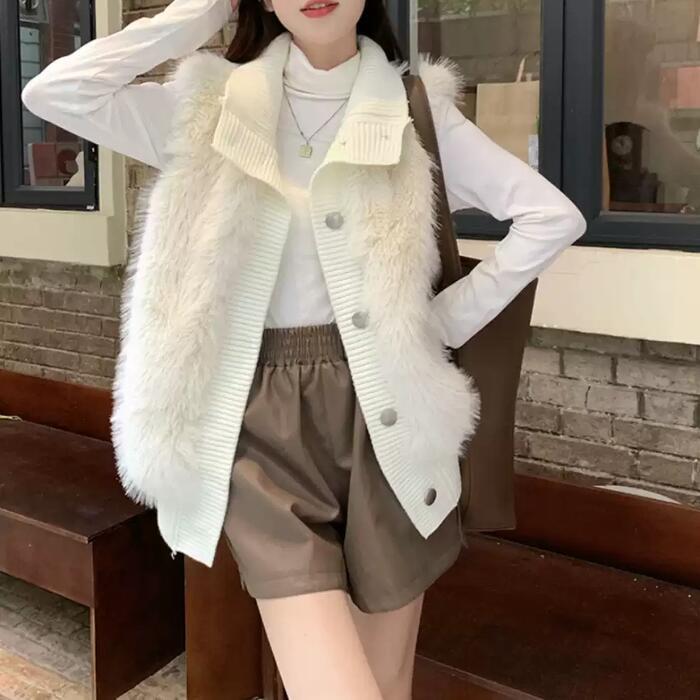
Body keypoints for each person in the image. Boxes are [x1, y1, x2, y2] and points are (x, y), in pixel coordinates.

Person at [22, 1, 587, 697]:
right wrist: (203, 12)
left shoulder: (415, 114)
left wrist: (442, 320)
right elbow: (55, 92)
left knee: (385, 686)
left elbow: (551, 217)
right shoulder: (209, 109)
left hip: (390, 419)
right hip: (260, 433)